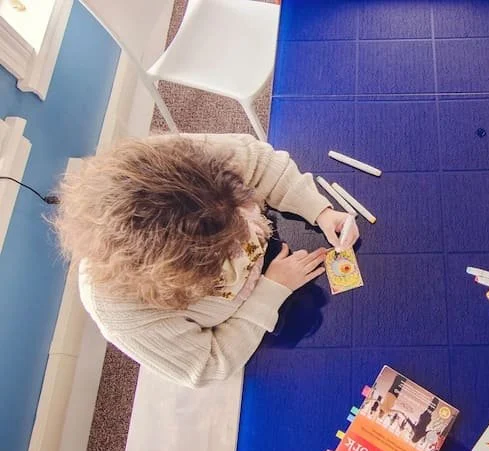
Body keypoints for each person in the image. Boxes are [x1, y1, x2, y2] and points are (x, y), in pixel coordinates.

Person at [54, 134, 359, 388]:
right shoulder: (122, 314)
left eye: (242, 210)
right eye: (230, 247)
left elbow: (261, 162)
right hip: (246, 332)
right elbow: (209, 365)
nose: (251, 231)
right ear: (182, 275)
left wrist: (318, 209)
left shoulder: (180, 163)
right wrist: (271, 290)